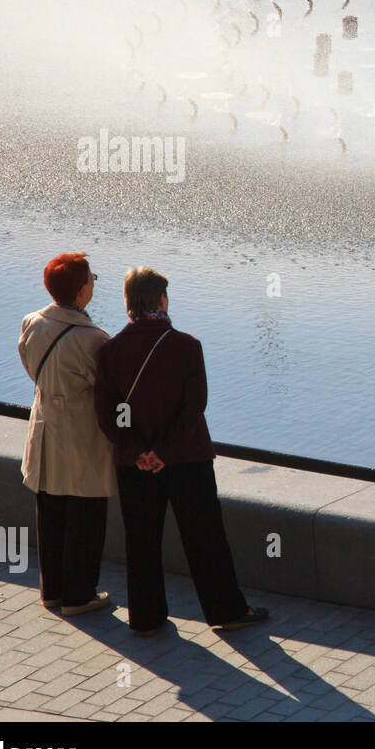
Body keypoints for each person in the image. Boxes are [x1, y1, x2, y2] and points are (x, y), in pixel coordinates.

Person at [93, 266, 267, 636]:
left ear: (127, 302)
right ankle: (226, 611)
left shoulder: (110, 352)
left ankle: (145, 617)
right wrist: (164, 452)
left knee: (141, 542)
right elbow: (194, 408)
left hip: (133, 465)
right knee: (205, 538)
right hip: (187, 460)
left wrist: (140, 451)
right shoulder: (187, 346)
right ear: (162, 300)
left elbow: (109, 415)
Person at [18, 253, 115, 616]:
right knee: (86, 513)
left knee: (50, 510)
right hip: (81, 434)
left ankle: (52, 591)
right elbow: (106, 389)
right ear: (80, 292)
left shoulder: (32, 322)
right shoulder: (94, 338)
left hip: (44, 430)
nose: (93, 284)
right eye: (91, 278)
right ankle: (79, 595)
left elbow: (31, 368)